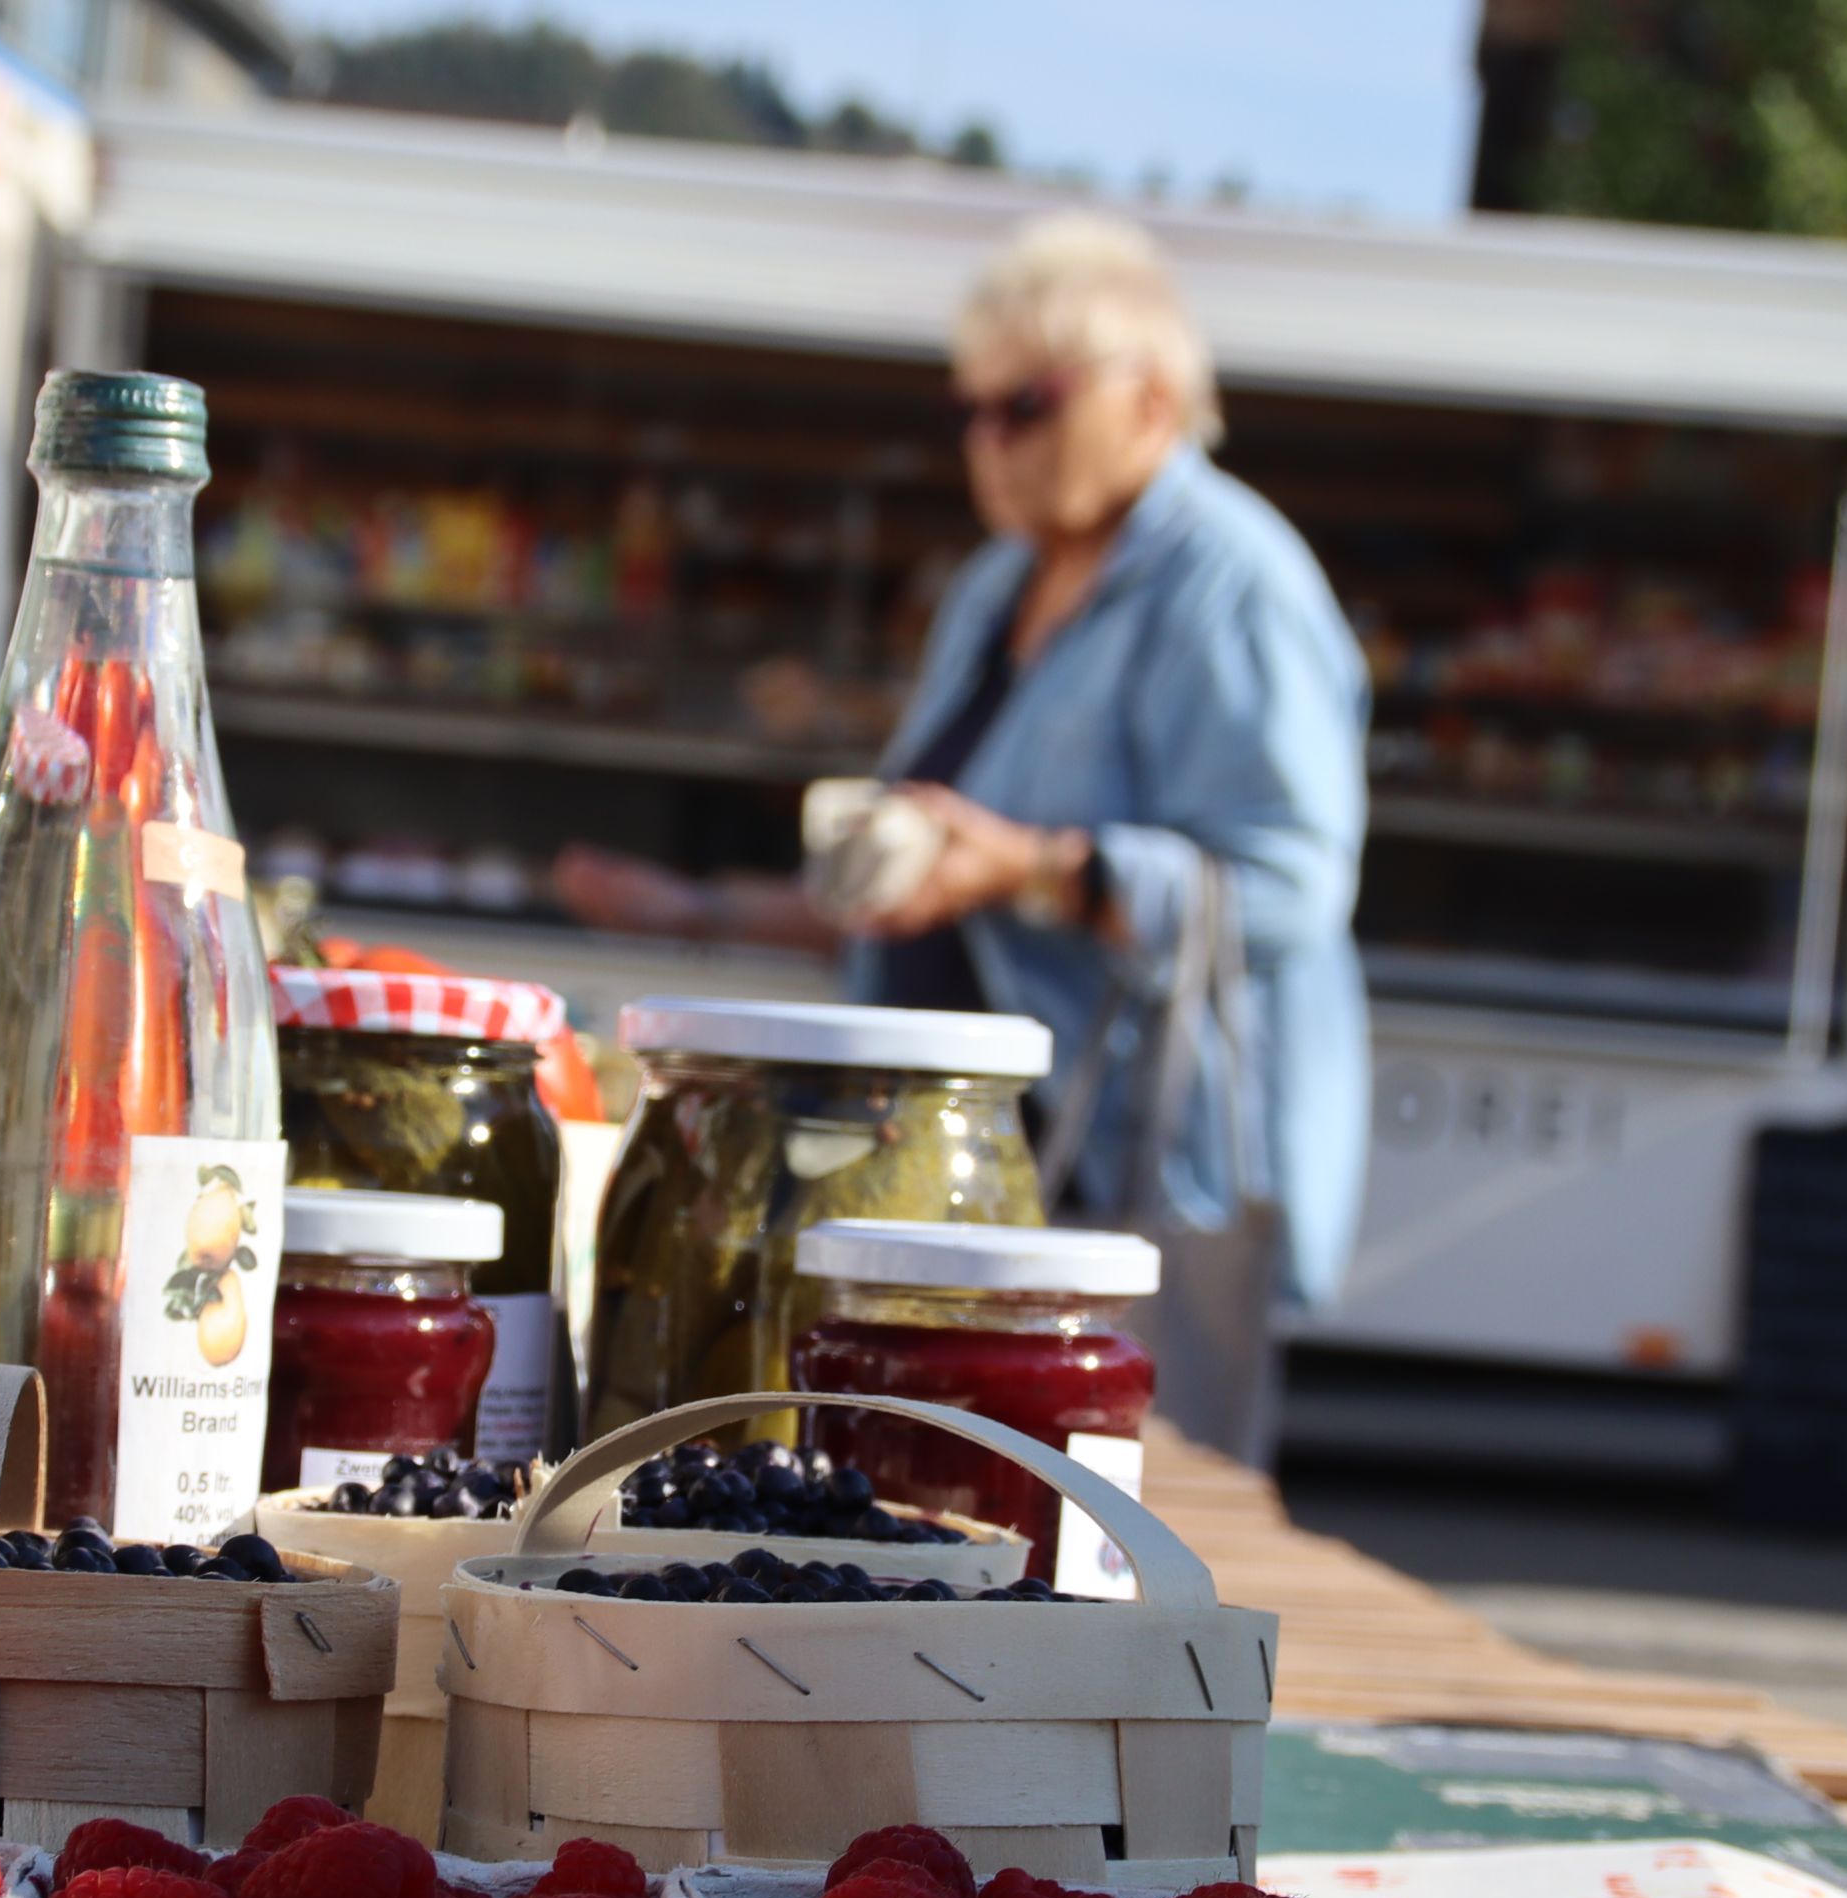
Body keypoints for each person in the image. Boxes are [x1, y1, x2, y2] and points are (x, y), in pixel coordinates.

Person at [555, 211, 1371, 1317]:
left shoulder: (1231, 584)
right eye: (969, 408)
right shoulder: (995, 587)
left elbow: (1290, 890)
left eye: (1026, 402)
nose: (988, 437)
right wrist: (694, 907)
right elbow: (921, 880)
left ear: (1152, 398)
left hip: (1120, 1188)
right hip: (959, 1173)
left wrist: (1034, 869)